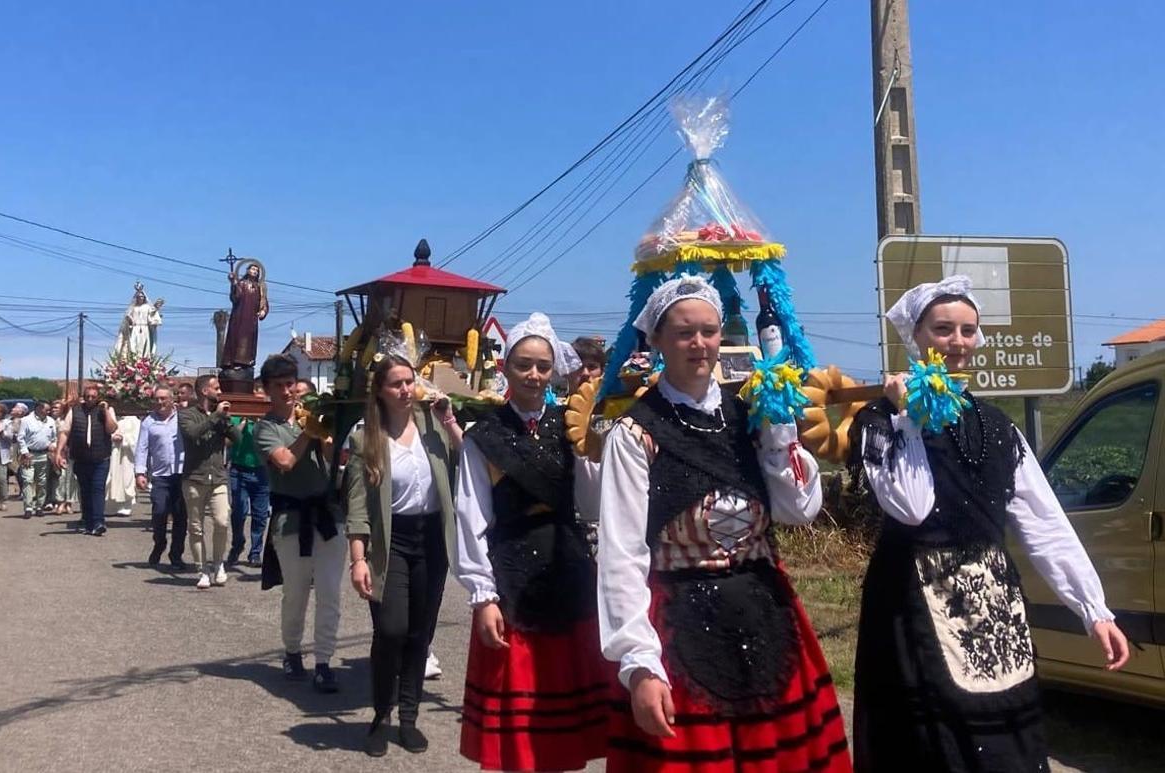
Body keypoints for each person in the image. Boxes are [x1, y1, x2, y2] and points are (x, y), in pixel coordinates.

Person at [848, 275, 1130, 772]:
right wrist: (908, 417)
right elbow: (911, 506)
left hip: (990, 603)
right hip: (911, 604)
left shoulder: (998, 427)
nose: (957, 342)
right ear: (915, 336)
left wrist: (1094, 610)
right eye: (943, 329)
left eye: (967, 330)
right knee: (930, 748)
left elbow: (1043, 523)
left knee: (1003, 745)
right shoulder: (880, 421)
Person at [597, 276, 850, 772]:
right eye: (685, 333)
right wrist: (639, 663)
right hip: (679, 627)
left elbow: (799, 511)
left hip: (766, 618)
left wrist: (781, 433)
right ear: (657, 341)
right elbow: (622, 554)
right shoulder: (634, 434)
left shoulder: (751, 416)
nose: (699, 344)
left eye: (709, 331)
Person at [455, 313, 609, 772]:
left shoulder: (571, 426)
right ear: (506, 369)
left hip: (568, 571)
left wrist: (591, 449)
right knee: (520, 737)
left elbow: (592, 504)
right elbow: (471, 516)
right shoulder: (483, 437)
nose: (534, 375)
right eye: (524, 365)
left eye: (543, 366)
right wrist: (482, 595)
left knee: (565, 730)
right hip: (512, 576)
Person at [344, 346, 463, 757]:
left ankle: (409, 717)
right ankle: (381, 714)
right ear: (379, 391)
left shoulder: (434, 427)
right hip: (389, 541)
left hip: (431, 537)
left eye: (410, 381)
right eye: (396, 384)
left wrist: (449, 419)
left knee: (420, 633)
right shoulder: (365, 438)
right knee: (391, 629)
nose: (406, 390)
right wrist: (358, 559)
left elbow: (470, 460)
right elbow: (358, 505)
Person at [255, 354, 344, 694]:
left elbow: (334, 460)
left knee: (329, 593)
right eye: (278, 386)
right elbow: (285, 461)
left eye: (290, 384)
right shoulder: (265, 428)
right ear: (267, 390)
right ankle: (292, 651)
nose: (286, 392)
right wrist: (308, 432)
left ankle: (324, 661)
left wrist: (323, 431)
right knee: (295, 594)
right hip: (291, 521)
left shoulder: (312, 418)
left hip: (327, 516)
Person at [179, 374, 239, 589]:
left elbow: (237, 440)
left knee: (222, 522)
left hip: (219, 478)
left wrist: (228, 421)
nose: (220, 391)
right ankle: (202, 570)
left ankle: (218, 564)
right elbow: (194, 434)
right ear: (205, 391)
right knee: (196, 527)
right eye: (216, 387)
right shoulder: (186, 414)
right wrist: (215, 417)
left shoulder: (219, 415)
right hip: (194, 478)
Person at [55, 385, 121, 536]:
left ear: (98, 397)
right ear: (84, 397)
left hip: (100, 458)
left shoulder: (106, 410)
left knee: (98, 488)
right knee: (85, 490)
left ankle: (99, 522)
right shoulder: (75, 410)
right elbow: (65, 432)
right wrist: (59, 452)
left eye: (93, 396)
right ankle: (88, 521)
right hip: (80, 457)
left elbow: (111, 429)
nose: (90, 399)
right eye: (88, 396)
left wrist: (105, 411)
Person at [135, 385, 188, 568]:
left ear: (172, 399)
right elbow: (142, 448)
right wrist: (140, 472)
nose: (159, 402)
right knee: (159, 512)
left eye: (163, 398)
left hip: (181, 474)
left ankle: (176, 555)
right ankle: (159, 543)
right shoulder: (148, 422)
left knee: (181, 517)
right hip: (160, 475)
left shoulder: (182, 418)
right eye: (157, 399)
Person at [228, 407, 270, 567]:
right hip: (239, 470)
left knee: (260, 515)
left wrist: (259, 422)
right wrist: (244, 422)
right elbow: (229, 441)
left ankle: (255, 552)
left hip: (261, 471)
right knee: (238, 511)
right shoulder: (237, 418)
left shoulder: (266, 421)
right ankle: (237, 544)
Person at [220, 260, 269, 370]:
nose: (255, 272)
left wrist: (263, 311)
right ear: (247, 271)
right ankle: (233, 361)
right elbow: (235, 298)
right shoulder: (241, 284)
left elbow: (264, 302)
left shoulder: (260, 288)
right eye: (253, 269)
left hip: (252, 319)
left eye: (257, 270)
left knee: (249, 340)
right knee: (237, 337)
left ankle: (247, 361)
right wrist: (233, 283)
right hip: (239, 316)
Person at [17, 401, 57, 517]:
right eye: (46, 409)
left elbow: (54, 437)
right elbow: (20, 438)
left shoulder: (51, 421)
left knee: (42, 482)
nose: (49, 411)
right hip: (29, 455)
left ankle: (40, 506)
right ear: (39, 408)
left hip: (44, 455)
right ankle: (28, 507)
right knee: (28, 480)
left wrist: (52, 445)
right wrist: (25, 452)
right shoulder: (26, 420)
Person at [49, 399, 77, 515]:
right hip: (59, 452)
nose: (54, 410)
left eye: (57, 408)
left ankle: (69, 503)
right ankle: (60, 502)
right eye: (53, 408)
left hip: (71, 452)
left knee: (71, 479)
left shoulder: (71, 421)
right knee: (61, 478)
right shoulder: (54, 422)